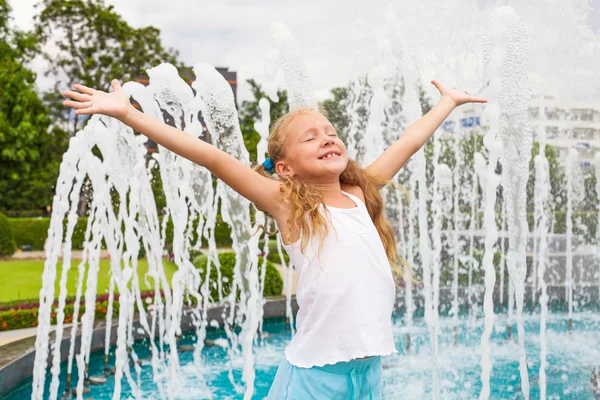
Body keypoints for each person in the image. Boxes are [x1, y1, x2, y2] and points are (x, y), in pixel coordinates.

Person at [63, 78, 486, 399]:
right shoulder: (290, 207)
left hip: (367, 374)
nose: (328, 138)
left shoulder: (362, 193)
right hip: (315, 378)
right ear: (285, 168)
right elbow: (210, 156)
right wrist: (128, 114)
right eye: (311, 137)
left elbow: (408, 142)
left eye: (331, 132)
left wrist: (446, 103)